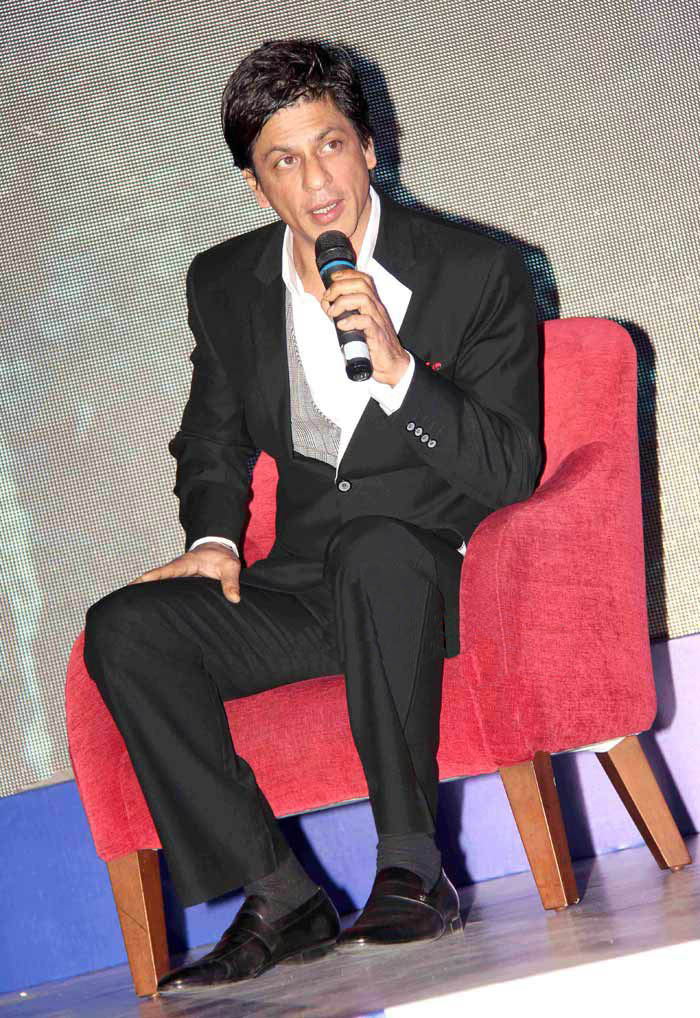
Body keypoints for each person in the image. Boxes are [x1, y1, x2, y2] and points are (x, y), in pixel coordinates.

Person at [83, 37, 542, 993]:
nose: (316, 180)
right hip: (302, 587)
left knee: (378, 548)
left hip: (428, 580)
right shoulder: (224, 284)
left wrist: (402, 372)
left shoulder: (477, 270)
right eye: (283, 161)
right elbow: (210, 439)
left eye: (330, 145)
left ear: (370, 147)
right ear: (256, 187)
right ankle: (280, 894)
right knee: (125, 628)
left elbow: (510, 469)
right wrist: (214, 540)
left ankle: (412, 868)